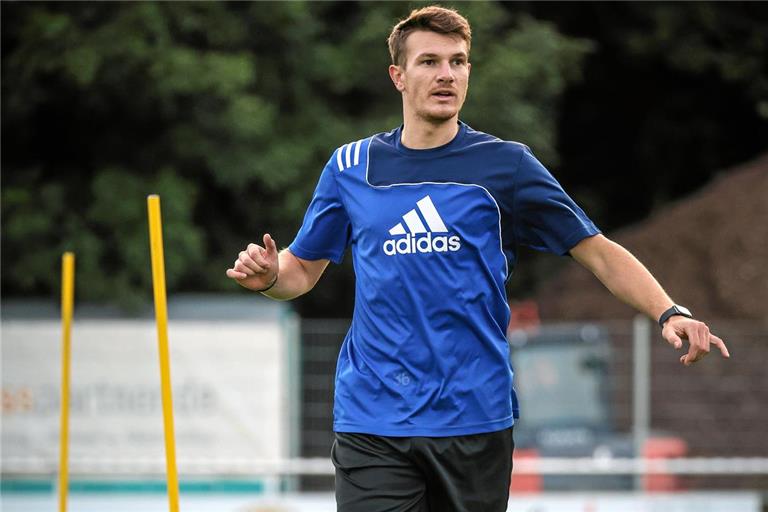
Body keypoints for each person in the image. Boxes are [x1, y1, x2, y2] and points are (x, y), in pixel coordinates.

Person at [226, 6, 730, 511]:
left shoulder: (506, 165)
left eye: (458, 61)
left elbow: (596, 252)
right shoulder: (351, 166)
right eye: (429, 62)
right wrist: (272, 276)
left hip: (474, 418)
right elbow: (301, 271)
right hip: (373, 416)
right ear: (398, 76)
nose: (446, 74)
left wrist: (670, 311)